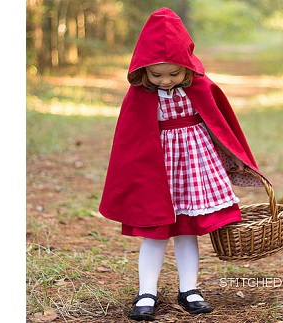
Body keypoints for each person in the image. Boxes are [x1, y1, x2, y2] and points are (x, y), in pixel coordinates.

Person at [98, 7, 266, 321]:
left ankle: (189, 289)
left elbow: (219, 126)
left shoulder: (200, 86)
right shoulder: (138, 96)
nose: (165, 81)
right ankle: (146, 291)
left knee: (186, 230)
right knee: (155, 231)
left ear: (186, 65)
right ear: (142, 70)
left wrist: (236, 159)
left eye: (174, 73)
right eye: (156, 74)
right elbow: (129, 141)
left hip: (192, 166)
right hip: (157, 170)